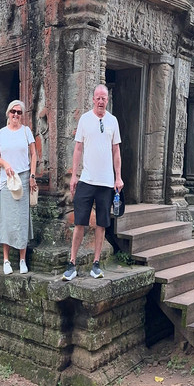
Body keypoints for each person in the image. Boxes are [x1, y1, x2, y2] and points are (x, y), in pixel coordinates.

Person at [63, 84, 123, 281]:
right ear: (93, 99)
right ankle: (72, 263)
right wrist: (74, 175)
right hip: (87, 179)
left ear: (107, 99)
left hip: (106, 182)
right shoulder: (85, 119)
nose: (100, 101)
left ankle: (96, 264)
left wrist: (118, 177)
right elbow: (78, 148)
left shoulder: (113, 121)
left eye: (103, 98)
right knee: (80, 221)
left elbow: (116, 151)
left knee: (101, 224)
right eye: (97, 97)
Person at [0, 99, 38, 275]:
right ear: (8, 114)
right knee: (6, 219)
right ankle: (5, 260)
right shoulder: (2, 133)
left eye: (19, 112)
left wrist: (33, 176)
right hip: (7, 180)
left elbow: (34, 154)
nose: (16, 115)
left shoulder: (26, 132)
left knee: (21, 219)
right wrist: (5, 164)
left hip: (24, 177)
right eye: (13, 112)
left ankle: (22, 259)